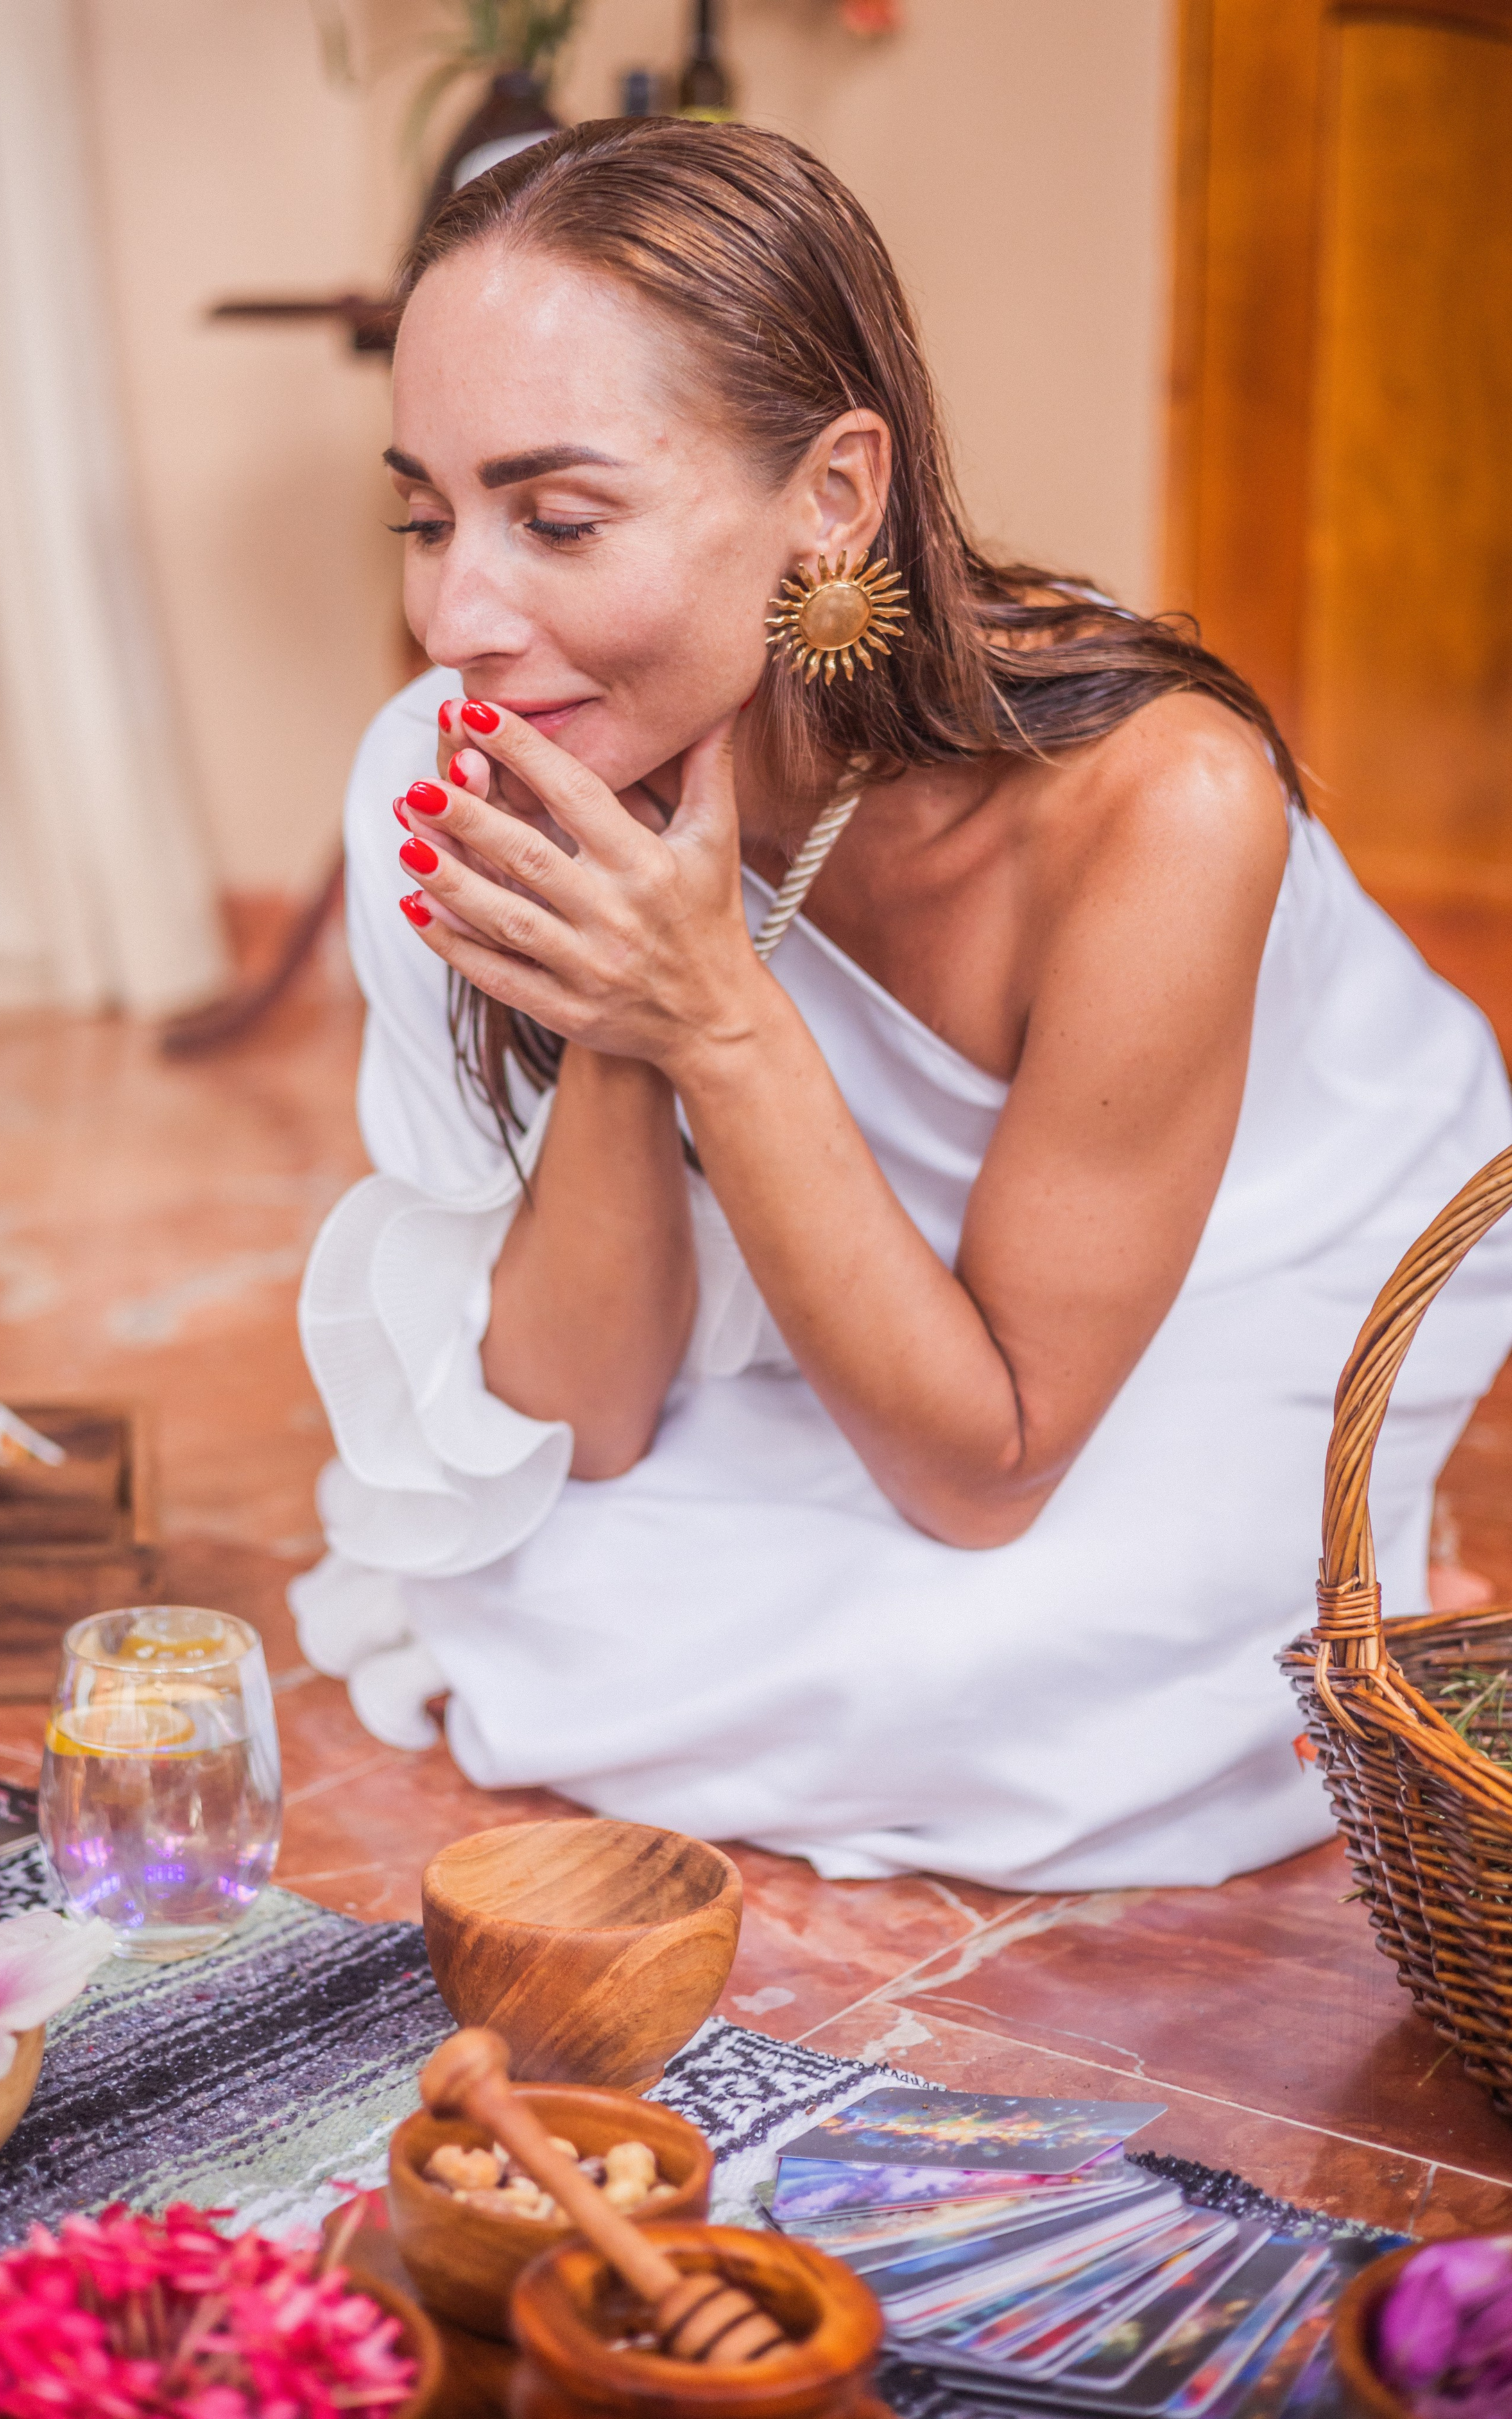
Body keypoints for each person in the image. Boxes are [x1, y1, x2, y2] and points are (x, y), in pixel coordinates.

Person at [289, 120, 1512, 1889]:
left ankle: (1364, 1512)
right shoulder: (453, 771)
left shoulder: (1157, 808)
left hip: (1259, 1225)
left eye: (556, 518)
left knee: (994, 1668)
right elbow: (587, 1411)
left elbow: (985, 1470)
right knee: (528, 1564)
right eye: (424, 514)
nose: (452, 616)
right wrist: (627, 1003)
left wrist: (714, 1012)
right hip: (872, 1283)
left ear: (833, 495)